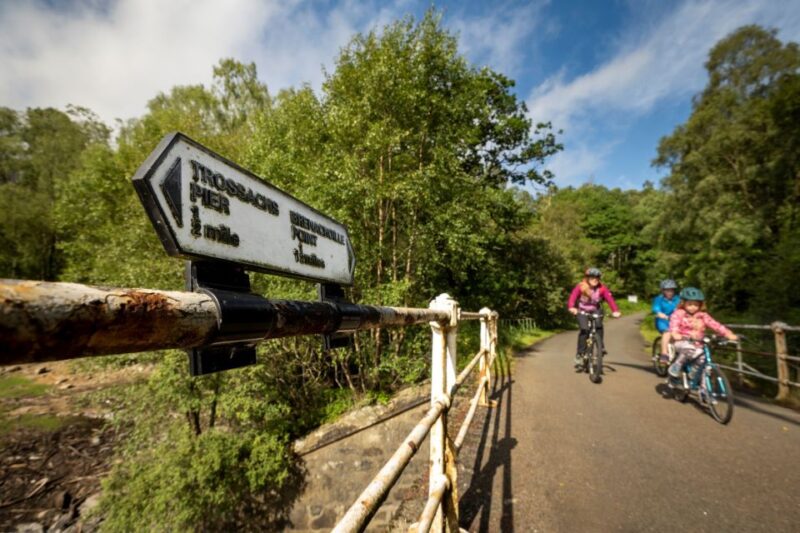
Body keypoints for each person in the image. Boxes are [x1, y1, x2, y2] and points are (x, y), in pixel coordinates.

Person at [667, 287, 737, 379]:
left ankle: (694, 373)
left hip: (698, 344)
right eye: (690, 304)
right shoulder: (678, 314)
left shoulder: (703, 316)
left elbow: (715, 324)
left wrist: (727, 333)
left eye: (696, 305)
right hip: (682, 342)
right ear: (683, 303)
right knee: (689, 348)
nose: (693, 307)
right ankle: (676, 366)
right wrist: (676, 334)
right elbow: (674, 325)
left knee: (703, 357)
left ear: (700, 305)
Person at [567, 267, 621, 367]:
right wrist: (572, 307)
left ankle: (601, 346)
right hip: (582, 310)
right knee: (584, 329)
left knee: (599, 325)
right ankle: (580, 354)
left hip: (595, 309)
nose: (595, 279)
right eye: (592, 277)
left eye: (597, 277)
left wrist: (615, 311)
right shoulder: (581, 286)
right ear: (587, 278)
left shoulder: (602, 288)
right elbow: (572, 297)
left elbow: (610, 300)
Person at [652, 279, 680, 363]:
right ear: (663, 290)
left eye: (672, 290)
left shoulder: (677, 299)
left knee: (679, 336)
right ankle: (664, 353)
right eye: (667, 290)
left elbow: (681, 308)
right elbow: (656, 308)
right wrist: (660, 314)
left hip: (675, 321)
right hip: (663, 321)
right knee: (667, 332)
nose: (670, 292)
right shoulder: (659, 299)